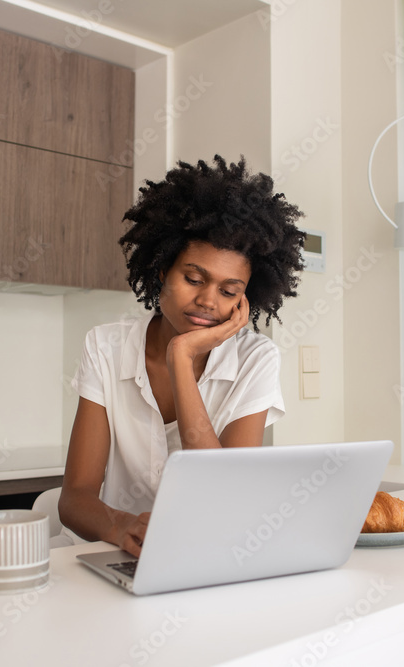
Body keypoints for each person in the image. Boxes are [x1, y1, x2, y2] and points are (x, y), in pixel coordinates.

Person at [57, 156, 306, 556]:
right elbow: (74, 498)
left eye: (228, 291)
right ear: (161, 271)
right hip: (113, 554)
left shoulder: (256, 359)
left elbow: (222, 498)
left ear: (245, 297)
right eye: (193, 278)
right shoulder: (106, 347)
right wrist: (122, 527)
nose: (207, 300)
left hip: (208, 554)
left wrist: (180, 359)